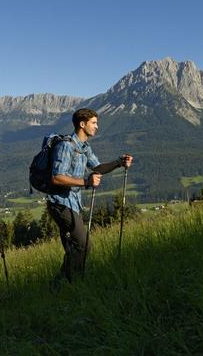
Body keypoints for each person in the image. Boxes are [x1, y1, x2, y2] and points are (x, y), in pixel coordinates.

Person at [47, 108, 133, 284]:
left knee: (74, 247)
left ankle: (61, 285)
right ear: (82, 124)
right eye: (94, 123)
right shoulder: (66, 146)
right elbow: (56, 177)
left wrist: (119, 162)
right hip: (60, 204)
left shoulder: (84, 148)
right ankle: (71, 283)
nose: (97, 127)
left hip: (73, 203)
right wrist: (86, 182)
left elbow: (98, 168)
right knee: (83, 244)